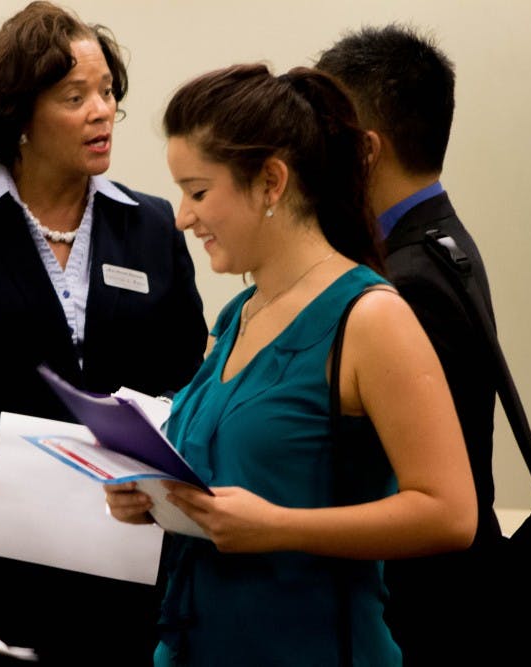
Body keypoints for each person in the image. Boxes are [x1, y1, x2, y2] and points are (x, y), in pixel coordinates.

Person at [105, 64, 478, 666]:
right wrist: (156, 501)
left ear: (271, 182)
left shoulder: (371, 317)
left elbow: (450, 513)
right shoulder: (237, 316)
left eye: (198, 192)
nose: (180, 217)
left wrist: (280, 526)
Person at [0, 2, 207, 665]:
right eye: (75, 95)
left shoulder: (150, 226)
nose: (101, 111)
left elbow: (190, 385)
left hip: (126, 555)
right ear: (19, 117)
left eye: (108, 92)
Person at [315, 26, 503, 665]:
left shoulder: (406, 283)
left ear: (365, 150)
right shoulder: (442, 242)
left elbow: (413, 481)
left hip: (419, 612)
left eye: (325, 134)